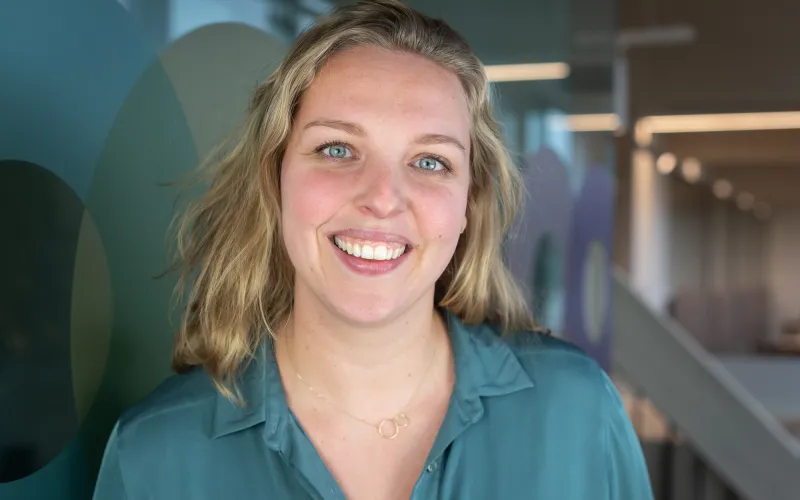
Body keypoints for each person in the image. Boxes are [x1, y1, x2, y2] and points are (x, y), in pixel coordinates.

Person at [93, 1, 654, 498]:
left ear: (468, 204)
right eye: (337, 149)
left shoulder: (578, 415)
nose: (382, 198)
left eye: (430, 161)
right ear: (275, 177)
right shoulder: (155, 455)